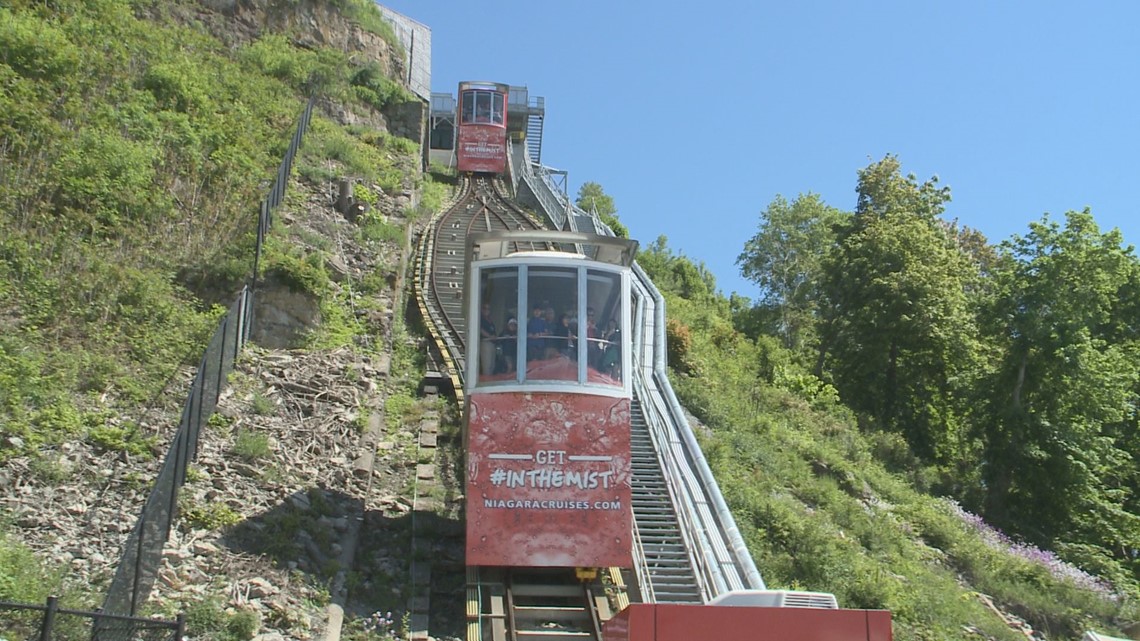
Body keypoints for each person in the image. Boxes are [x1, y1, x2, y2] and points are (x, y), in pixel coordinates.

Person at [479, 303, 497, 376]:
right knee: (487, 365)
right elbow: (481, 330)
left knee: (492, 365)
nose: (487, 310)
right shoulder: (481, 319)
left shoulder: (490, 320)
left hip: (492, 343)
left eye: (488, 309)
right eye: (485, 308)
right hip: (485, 342)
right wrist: (489, 336)